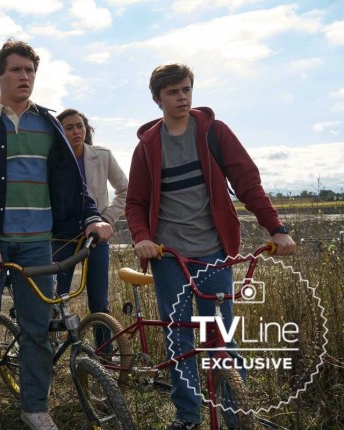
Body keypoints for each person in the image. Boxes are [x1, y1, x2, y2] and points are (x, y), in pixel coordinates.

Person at [0, 39, 113, 430]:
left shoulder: (49, 124)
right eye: (16, 70)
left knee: (38, 332)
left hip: (39, 246)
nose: (24, 76)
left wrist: (92, 216)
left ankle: (35, 407)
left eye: (30, 70)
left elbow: (72, 183)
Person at [125, 63, 296, 430]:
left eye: (186, 89)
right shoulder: (148, 146)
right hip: (169, 256)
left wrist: (276, 228)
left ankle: (237, 418)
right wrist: (142, 238)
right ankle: (187, 416)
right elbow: (135, 202)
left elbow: (248, 183)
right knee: (179, 336)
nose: (182, 97)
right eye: (173, 92)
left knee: (220, 336)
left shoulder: (214, 133)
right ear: (157, 99)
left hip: (214, 253)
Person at [53, 109, 127, 326]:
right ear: (59, 132)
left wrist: (106, 219)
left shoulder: (102, 155)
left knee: (100, 303)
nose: (76, 131)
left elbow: (125, 190)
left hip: (96, 237)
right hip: (62, 237)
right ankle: (54, 345)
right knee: (56, 299)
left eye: (80, 126)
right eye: (69, 128)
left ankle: (104, 346)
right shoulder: (52, 160)